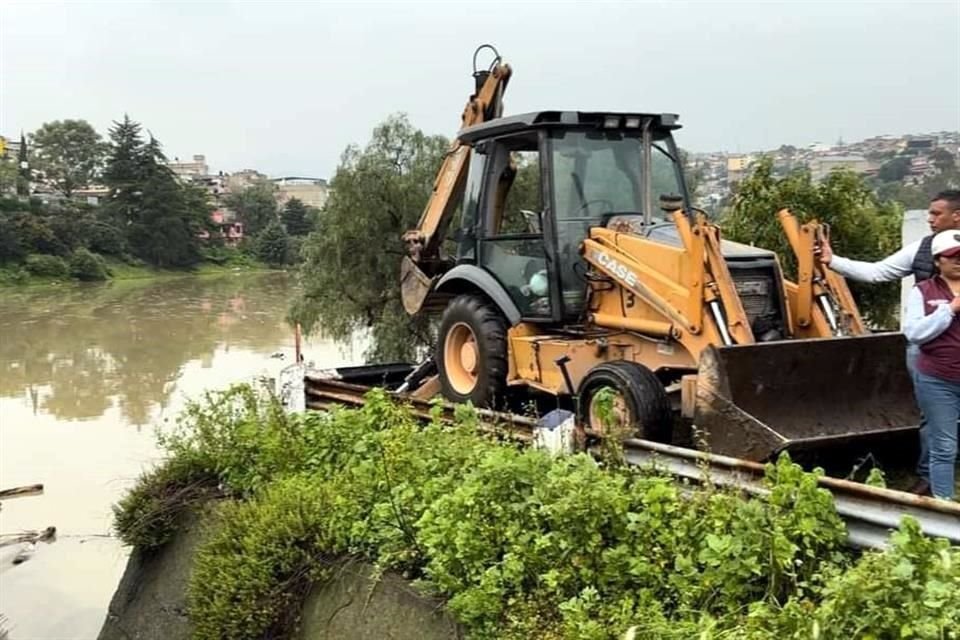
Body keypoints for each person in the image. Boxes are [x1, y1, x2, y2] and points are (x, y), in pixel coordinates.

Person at [819, 190, 960, 495]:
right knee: (932, 415)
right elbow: (877, 272)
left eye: (936, 213)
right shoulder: (922, 251)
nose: (930, 218)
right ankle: (930, 477)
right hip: (928, 350)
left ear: (956, 216)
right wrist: (833, 261)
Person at [901, 230, 960, 500]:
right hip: (938, 380)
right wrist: (949, 310)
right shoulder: (923, 292)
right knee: (944, 445)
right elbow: (915, 333)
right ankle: (944, 507)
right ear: (938, 261)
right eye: (952, 257)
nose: (958, 261)